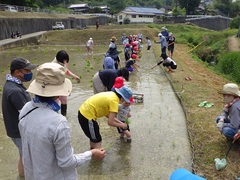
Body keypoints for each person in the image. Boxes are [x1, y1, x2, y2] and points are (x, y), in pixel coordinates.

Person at [18, 63, 106, 180]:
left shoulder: (26, 109)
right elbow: (66, 162)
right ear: (59, 93)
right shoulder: (59, 122)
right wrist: (91, 153)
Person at [2, 58, 37, 179]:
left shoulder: (12, 84)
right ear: (17, 72)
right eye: (27, 70)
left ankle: (21, 177)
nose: (29, 73)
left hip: (15, 129)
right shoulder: (15, 91)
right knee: (28, 158)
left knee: (23, 155)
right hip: (19, 132)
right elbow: (27, 114)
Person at [52, 50, 80, 116]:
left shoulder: (61, 62)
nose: (65, 62)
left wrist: (75, 76)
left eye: (66, 61)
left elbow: (66, 71)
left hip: (61, 83)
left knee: (64, 100)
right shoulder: (53, 66)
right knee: (55, 102)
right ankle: (55, 117)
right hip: (54, 86)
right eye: (64, 61)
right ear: (60, 60)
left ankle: (64, 116)